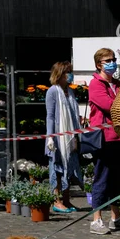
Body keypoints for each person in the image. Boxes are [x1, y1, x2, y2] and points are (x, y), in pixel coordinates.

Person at [88, 48, 120, 235]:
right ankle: (96, 220)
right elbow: (111, 106)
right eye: (108, 60)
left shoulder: (118, 84)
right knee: (102, 178)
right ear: (99, 64)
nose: (112, 62)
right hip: (104, 139)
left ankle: (116, 218)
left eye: (114, 59)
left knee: (117, 179)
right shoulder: (96, 85)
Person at [45, 61, 83, 213]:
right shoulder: (52, 91)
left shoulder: (70, 91)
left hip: (70, 137)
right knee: (57, 169)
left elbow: (73, 113)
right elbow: (51, 116)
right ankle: (57, 201)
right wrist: (50, 137)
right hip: (57, 138)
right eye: (67, 72)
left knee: (70, 167)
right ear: (59, 74)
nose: (70, 75)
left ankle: (67, 199)